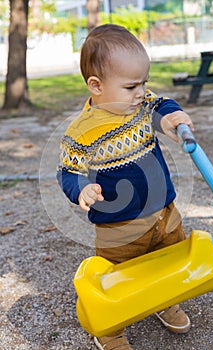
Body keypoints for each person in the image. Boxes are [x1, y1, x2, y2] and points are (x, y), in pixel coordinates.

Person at [57, 24, 194, 350]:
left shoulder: (140, 105)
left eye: (143, 83)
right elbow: (68, 171)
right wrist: (81, 190)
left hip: (165, 211)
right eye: (132, 85)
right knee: (117, 279)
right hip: (119, 225)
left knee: (170, 260)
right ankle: (110, 326)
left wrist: (173, 118)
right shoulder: (82, 132)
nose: (141, 92)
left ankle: (164, 300)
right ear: (96, 85)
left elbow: (161, 106)